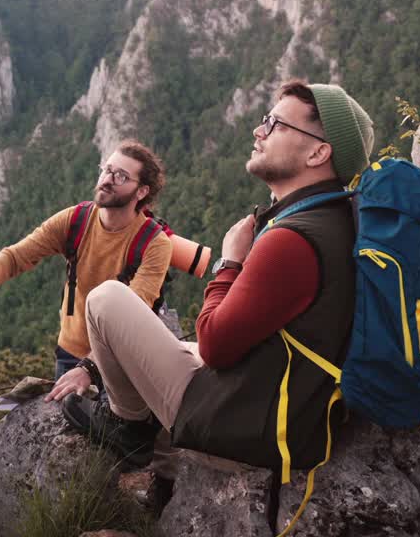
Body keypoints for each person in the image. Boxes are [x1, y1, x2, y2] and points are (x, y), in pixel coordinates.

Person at [60, 81, 374, 471]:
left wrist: (230, 261)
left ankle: (128, 428)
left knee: (106, 299)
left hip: (243, 431)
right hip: (280, 402)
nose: (259, 132)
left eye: (275, 124)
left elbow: (214, 345)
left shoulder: (293, 239)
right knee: (172, 345)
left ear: (318, 152)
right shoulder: (333, 216)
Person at [0, 140, 173, 393]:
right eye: (107, 169)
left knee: (110, 431)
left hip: (120, 361)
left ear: (142, 192)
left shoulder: (154, 244)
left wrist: (89, 368)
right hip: (70, 354)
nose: (108, 179)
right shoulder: (76, 220)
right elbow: (17, 256)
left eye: (121, 176)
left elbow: (131, 318)